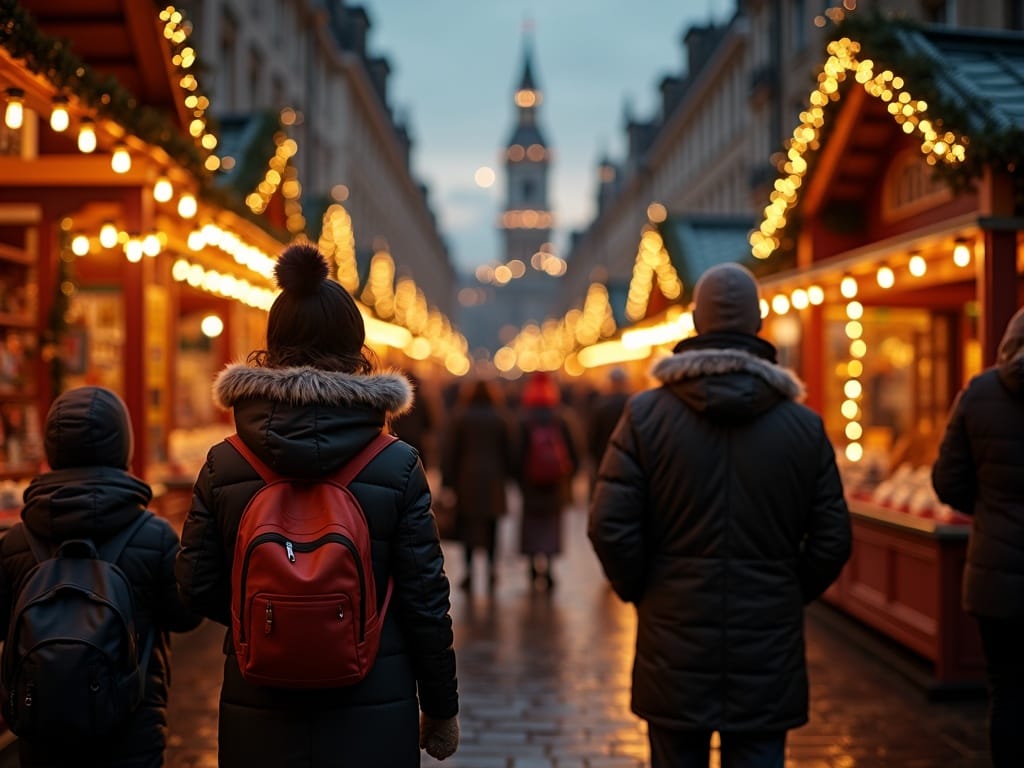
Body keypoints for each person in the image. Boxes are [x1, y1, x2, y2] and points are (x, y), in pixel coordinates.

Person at [175, 244, 459, 767]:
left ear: (273, 342)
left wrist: (269, 617)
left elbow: (195, 585)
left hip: (259, 704)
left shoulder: (225, 462)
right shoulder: (396, 465)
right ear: (356, 345)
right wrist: (441, 709)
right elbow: (425, 602)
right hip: (374, 703)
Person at [588, 262, 851, 768]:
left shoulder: (645, 417)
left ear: (695, 324)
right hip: (767, 643)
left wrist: (646, 588)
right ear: (758, 325)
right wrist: (787, 588)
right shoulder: (802, 425)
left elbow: (609, 525)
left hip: (674, 639)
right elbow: (832, 537)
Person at [0, 385, 201, 767]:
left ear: (51, 447)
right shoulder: (152, 534)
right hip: (131, 728)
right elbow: (186, 615)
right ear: (122, 445)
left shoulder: (17, 539)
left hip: (41, 729)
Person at [932, 306, 1024, 768]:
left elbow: (947, 482)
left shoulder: (980, 392)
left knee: (1005, 691)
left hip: (995, 579)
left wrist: (989, 509)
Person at [440, 377, 514, 591]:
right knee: (492, 527)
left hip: (466, 481)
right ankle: (491, 570)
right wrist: (508, 476)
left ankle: (470, 572)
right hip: (494, 481)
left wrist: (448, 482)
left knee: (467, 528)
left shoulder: (460, 417)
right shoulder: (501, 418)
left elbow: (450, 452)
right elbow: (510, 451)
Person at [517, 371, 578, 590]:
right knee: (551, 525)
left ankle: (533, 565)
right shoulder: (561, 416)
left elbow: (517, 452)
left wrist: (519, 478)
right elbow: (575, 450)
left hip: (531, 482)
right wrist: (570, 474)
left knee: (532, 523)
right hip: (556, 482)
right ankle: (550, 568)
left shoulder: (525, 418)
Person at [586, 367, 630, 495]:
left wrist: (591, 457)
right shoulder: (633, 404)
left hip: (604, 457)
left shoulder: (601, 405)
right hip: (628, 459)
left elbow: (592, 436)